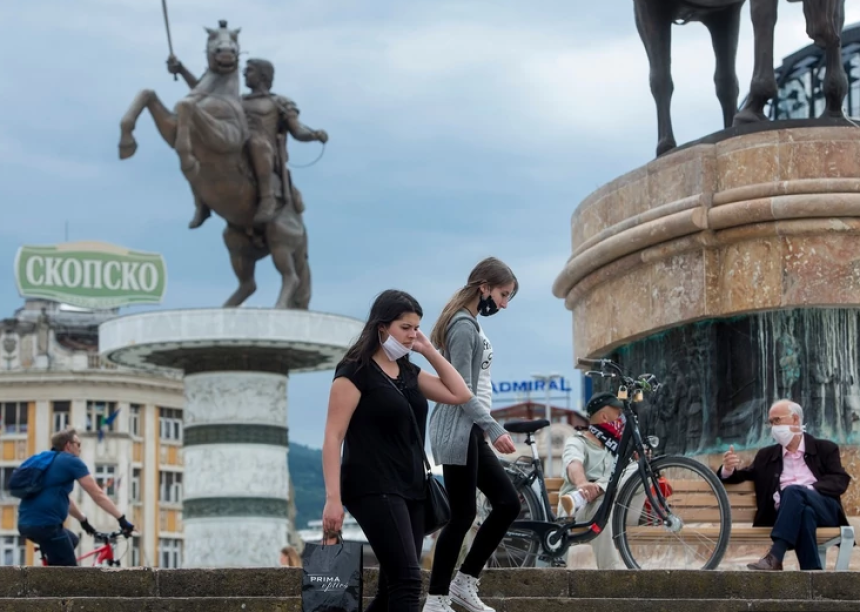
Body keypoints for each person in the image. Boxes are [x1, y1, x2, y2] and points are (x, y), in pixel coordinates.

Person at [321, 289, 474, 612]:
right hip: (372, 486)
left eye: (416, 327)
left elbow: (459, 393)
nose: (412, 334)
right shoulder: (354, 372)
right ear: (382, 327)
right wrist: (333, 499)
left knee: (392, 587)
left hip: (412, 488)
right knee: (407, 580)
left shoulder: (408, 373)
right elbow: (333, 437)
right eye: (405, 327)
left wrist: (429, 349)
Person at [425, 257, 520, 612]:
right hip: (462, 428)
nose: (504, 304)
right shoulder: (463, 327)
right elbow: (460, 388)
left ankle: (463, 583)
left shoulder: (470, 323)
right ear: (484, 288)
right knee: (463, 515)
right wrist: (493, 427)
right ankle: (436, 599)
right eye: (503, 294)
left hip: (471, 430)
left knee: (506, 504)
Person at [718, 399, 851, 571]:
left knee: (794, 491)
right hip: (790, 513)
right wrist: (728, 469)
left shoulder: (825, 448)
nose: (773, 427)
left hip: (824, 508)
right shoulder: (766, 455)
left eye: (777, 420)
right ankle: (813, 576)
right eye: (771, 423)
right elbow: (741, 475)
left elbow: (840, 479)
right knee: (805, 513)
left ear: (795, 420)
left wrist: (807, 491)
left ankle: (776, 555)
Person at [17, 428, 136, 566]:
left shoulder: (46, 460)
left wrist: (83, 520)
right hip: (46, 525)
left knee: (72, 540)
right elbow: (97, 494)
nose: (80, 449)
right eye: (78, 444)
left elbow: (64, 499)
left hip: (25, 523)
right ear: (68, 445)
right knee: (71, 575)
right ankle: (48, 585)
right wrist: (121, 519)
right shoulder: (71, 461)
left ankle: (50, 576)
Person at [557, 392, 637, 569]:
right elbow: (573, 464)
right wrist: (582, 484)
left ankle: (601, 489)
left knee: (638, 469)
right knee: (602, 505)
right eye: (618, 414)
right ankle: (611, 573)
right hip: (581, 509)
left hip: (619, 509)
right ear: (604, 416)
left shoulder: (618, 447)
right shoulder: (578, 441)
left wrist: (640, 460)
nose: (621, 419)